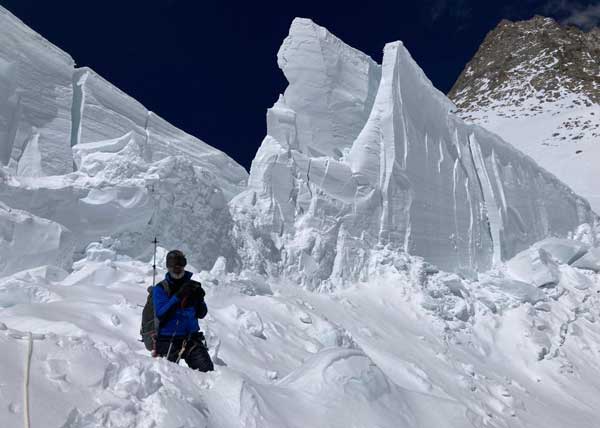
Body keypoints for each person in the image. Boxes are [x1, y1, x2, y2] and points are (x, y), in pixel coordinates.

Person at [152, 249, 214, 372]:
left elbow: (202, 314)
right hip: (167, 339)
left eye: (181, 263)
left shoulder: (192, 286)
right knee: (166, 376)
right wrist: (178, 296)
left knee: (207, 372)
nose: (178, 268)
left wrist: (199, 299)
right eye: (174, 264)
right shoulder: (161, 289)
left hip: (191, 338)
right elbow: (161, 314)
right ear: (168, 266)